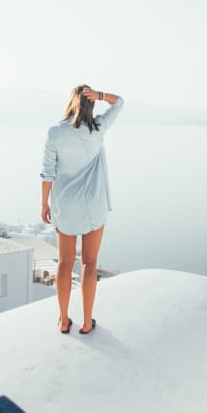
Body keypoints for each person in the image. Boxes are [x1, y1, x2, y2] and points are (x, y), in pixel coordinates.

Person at [39, 85, 124, 334]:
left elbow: (47, 173)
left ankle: (64, 320)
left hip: (66, 206)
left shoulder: (55, 133)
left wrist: (44, 203)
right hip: (94, 205)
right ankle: (87, 322)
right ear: (91, 104)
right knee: (89, 263)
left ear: (70, 102)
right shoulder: (98, 129)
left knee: (65, 263)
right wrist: (100, 95)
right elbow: (119, 102)